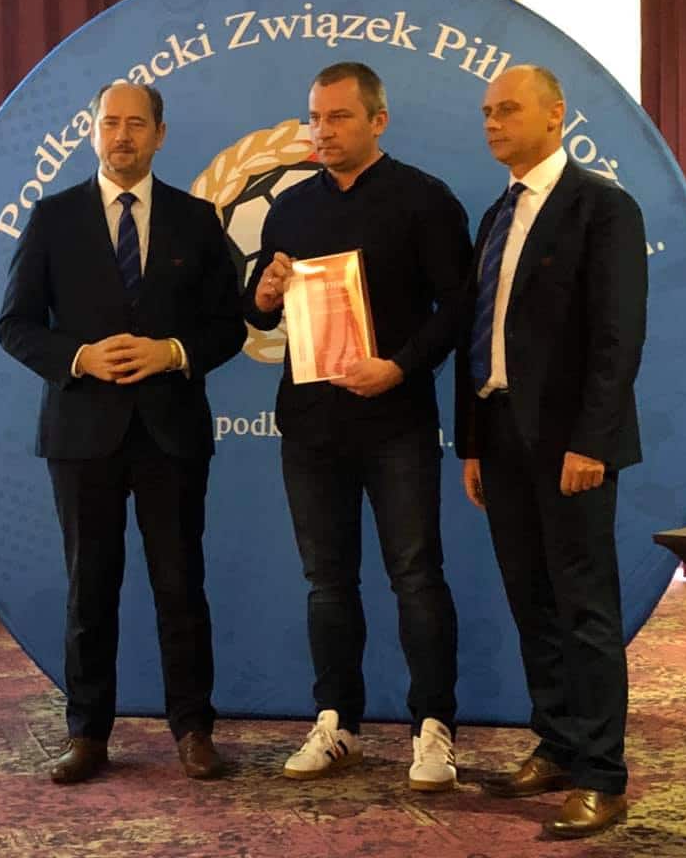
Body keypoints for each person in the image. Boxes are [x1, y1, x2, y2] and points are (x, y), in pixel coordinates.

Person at [0, 81, 246, 784]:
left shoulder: (198, 218)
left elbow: (228, 327)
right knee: (89, 589)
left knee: (181, 586)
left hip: (171, 433)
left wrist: (174, 352)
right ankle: (87, 733)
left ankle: (193, 730)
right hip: (82, 433)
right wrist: (79, 357)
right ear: (93, 132)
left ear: (160, 135)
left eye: (137, 124)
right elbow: (14, 325)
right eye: (110, 123)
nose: (122, 136)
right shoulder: (53, 218)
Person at [244, 62, 472, 791]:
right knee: (327, 582)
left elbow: (458, 309)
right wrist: (264, 293)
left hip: (396, 421)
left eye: (339, 117)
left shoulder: (425, 199)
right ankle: (337, 721)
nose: (323, 131)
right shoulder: (289, 207)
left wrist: (399, 367)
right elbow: (259, 313)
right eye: (315, 118)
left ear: (379, 120)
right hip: (311, 426)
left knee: (416, 576)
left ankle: (433, 729)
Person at [455, 65, 647, 837]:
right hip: (500, 433)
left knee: (584, 606)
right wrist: (473, 442)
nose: (493, 123)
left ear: (554, 114)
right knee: (531, 599)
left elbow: (617, 337)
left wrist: (592, 439)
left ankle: (602, 773)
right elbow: (480, 336)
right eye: (486, 112)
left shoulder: (602, 206)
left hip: (571, 443)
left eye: (508, 109)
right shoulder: (495, 214)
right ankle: (559, 742)